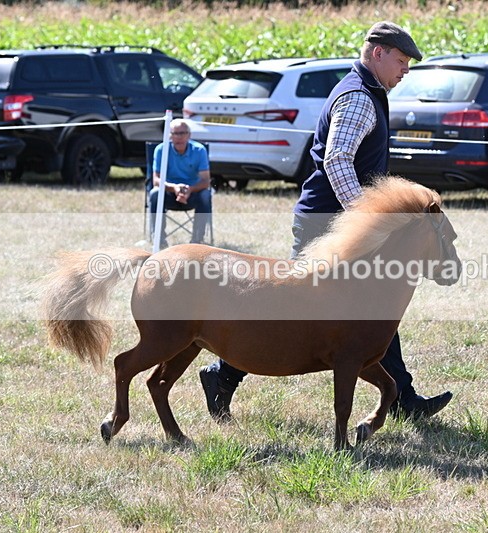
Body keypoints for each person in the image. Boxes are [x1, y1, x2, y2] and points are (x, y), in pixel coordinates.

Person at [199, 21, 453, 422]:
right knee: (287, 309)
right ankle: (223, 375)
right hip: (330, 225)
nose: (405, 70)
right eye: (401, 61)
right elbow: (337, 159)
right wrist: (365, 217)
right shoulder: (358, 98)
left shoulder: (368, 91)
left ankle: (402, 397)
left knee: (373, 308)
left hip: (337, 223)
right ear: (377, 53)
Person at [148, 118, 212, 247]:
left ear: (189, 135)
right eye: (175, 133)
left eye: (182, 133)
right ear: (169, 135)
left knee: (206, 195)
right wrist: (174, 188)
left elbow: (206, 181)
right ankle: (159, 240)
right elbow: (156, 180)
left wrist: (189, 190)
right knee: (155, 193)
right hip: (169, 193)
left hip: (194, 193)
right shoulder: (161, 150)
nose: (179, 137)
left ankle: (197, 241)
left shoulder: (199, 151)